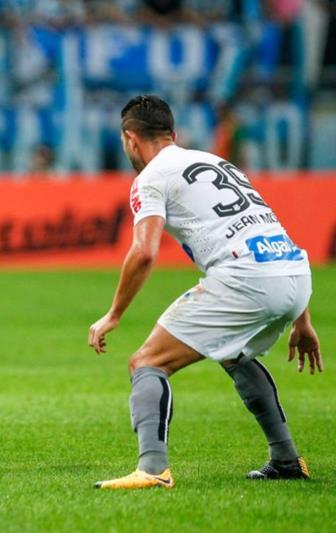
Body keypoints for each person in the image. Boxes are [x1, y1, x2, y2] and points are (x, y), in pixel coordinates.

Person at [87, 95, 322, 489]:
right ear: (173, 135)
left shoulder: (150, 178)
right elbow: (268, 229)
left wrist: (113, 314)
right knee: (233, 353)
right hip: (293, 272)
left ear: (130, 138)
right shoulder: (218, 162)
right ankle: (285, 459)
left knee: (147, 362)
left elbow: (143, 253)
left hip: (246, 277)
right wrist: (302, 318)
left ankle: (152, 469)